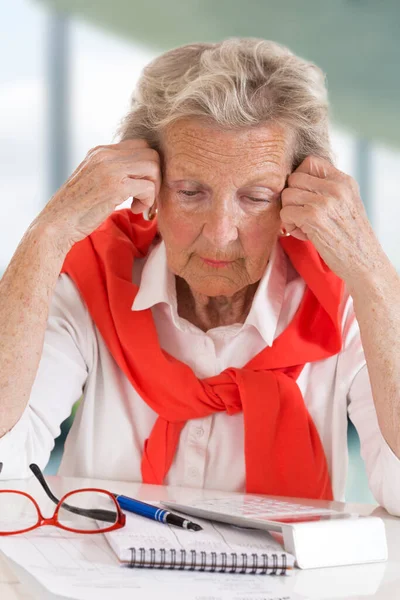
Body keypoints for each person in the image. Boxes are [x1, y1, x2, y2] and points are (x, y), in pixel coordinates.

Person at [1, 38, 400, 515]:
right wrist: (49, 233)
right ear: (146, 184)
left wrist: (374, 274)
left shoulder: (342, 300)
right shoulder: (93, 279)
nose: (219, 234)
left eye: (255, 198)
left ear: (296, 195)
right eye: (190, 191)